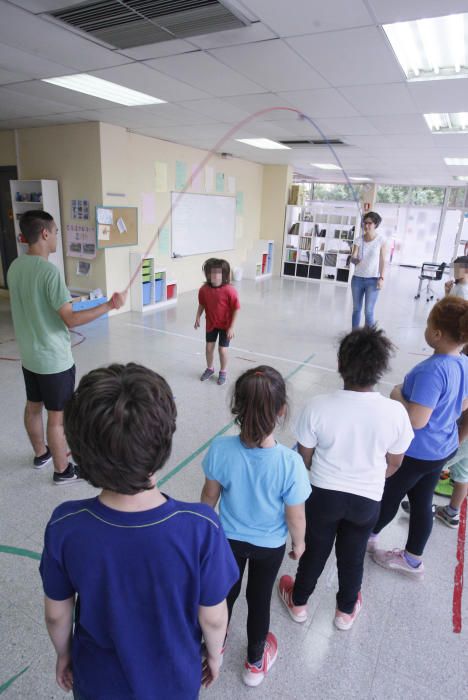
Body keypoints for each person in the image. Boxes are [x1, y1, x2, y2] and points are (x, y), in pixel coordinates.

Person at [40, 363, 238, 700]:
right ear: (163, 442)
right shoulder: (202, 528)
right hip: (175, 682)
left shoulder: (66, 525)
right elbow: (214, 618)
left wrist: (64, 654)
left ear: (80, 452)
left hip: (98, 683)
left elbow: (56, 613)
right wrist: (215, 655)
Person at [278, 327, 413, 630]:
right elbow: (395, 462)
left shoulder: (318, 405)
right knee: (352, 556)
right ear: (381, 369)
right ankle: (345, 612)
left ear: (341, 364)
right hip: (367, 499)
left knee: (315, 551)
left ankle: (298, 602)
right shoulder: (395, 413)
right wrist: (372, 476)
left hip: (323, 495)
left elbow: (305, 456)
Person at [201, 365, 310, 686]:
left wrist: (202, 533)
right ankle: (253, 663)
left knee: (226, 594)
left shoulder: (220, 449)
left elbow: (209, 497)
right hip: (269, 547)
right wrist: (299, 543)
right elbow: (296, 515)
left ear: (237, 407)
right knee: (259, 600)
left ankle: (215, 645)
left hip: (227, 541)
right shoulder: (290, 463)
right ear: (282, 411)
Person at [7, 210, 126, 484]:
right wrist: (108, 305)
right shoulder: (49, 272)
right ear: (45, 234)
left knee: (33, 406)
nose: (57, 237)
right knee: (57, 418)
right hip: (53, 360)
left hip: (29, 357)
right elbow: (70, 317)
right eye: (56, 232)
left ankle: (41, 454)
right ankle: (62, 470)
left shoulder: (14, 266)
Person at [369, 297, 468, 576]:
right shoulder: (464, 363)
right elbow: (462, 404)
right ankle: (412, 558)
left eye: (428, 323)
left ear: (436, 333)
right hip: (442, 448)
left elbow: (416, 420)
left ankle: (369, 535)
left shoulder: (432, 371)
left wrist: (398, 393)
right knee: (423, 501)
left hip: (417, 451)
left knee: (389, 496)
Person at [194, 258, 240, 386]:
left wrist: (231, 327)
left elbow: (236, 308)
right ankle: (210, 368)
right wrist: (198, 316)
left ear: (224, 275)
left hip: (225, 325)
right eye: (211, 272)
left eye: (217, 272)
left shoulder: (229, 290)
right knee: (209, 348)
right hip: (211, 323)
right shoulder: (203, 290)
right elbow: (202, 304)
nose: (214, 275)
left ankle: (223, 371)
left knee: (222, 350)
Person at [350, 211, 387, 329]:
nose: (366, 225)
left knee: (369, 311)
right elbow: (353, 258)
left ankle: (369, 338)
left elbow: (382, 260)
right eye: (365, 223)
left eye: (369, 223)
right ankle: (354, 335)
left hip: (373, 280)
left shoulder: (381, 240)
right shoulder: (358, 240)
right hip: (357, 279)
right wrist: (355, 259)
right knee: (356, 309)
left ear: (375, 224)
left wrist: (381, 278)